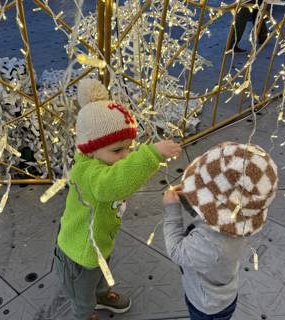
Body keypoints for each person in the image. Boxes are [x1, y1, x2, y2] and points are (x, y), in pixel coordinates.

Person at [54, 78, 181, 320]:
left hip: (99, 244)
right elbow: (113, 184)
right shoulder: (89, 174)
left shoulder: (101, 162)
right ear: (90, 148)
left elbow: (120, 178)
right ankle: (85, 312)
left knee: (101, 273)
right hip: (78, 255)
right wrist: (150, 154)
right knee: (82, 297)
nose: (125, 156)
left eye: (129, 148)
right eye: (117, 151)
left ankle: (101, 295)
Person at [162, 142, 278, 320]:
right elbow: (212, 217)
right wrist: (189, 199)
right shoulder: (237, 221)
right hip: (222, 295)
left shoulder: (211, 244)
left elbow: (177, 251)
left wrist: (172, 211)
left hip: (206, 306)